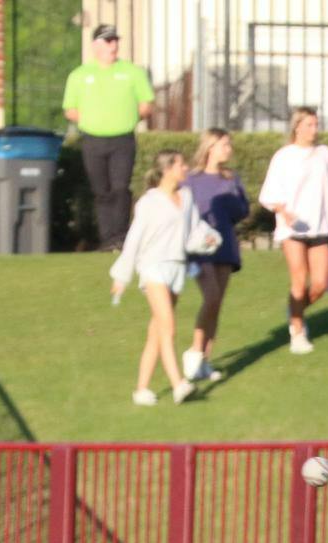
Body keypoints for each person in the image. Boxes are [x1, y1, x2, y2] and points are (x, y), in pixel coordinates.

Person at [110, 151, 202, 407]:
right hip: (153, 268)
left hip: (177, 268)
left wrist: (209, 240)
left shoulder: (186, 196)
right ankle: (178, 384)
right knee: (168, 326)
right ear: (169, 169)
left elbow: (194, 231)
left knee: (156, 332)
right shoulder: (148, 203)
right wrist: (122, 276)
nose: (186, 168)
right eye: (181, 164)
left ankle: (141, 389)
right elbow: (134, 241)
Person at [62, 24, 154, 251]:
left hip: (122, 139)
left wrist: (129, 118)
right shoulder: (80, 75)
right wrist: (90, 121)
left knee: (120, 188)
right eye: (107, 40)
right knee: (101, 191)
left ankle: (121, 238)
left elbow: (146, 104)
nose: (113, 45)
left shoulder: (132, 72)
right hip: (93, 140)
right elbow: (70, 108)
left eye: (115, 40)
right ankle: (107, 239)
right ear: (96, 45)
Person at [258, 107, 328, 356]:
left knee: (320, 284)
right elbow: (269, 194)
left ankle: (295, 310)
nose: (314, 130)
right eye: (309, 125)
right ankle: (297, 331)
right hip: (292, 229)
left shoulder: (325, 154)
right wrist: (284, 212)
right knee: (298, 278)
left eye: (316, 125)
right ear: (297, 127)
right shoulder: (283, 156)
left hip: (320, 227)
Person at [183, 127, 247, 385]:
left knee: (217, 302)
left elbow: (242, 211)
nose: (228, 149)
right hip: (198, 247)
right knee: (210, 297)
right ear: (210, 147)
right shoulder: (190, 179)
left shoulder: (231, 178)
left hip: (225, 245)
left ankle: (204, 361)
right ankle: (195, 352)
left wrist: (233, 198)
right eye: (224, 144)